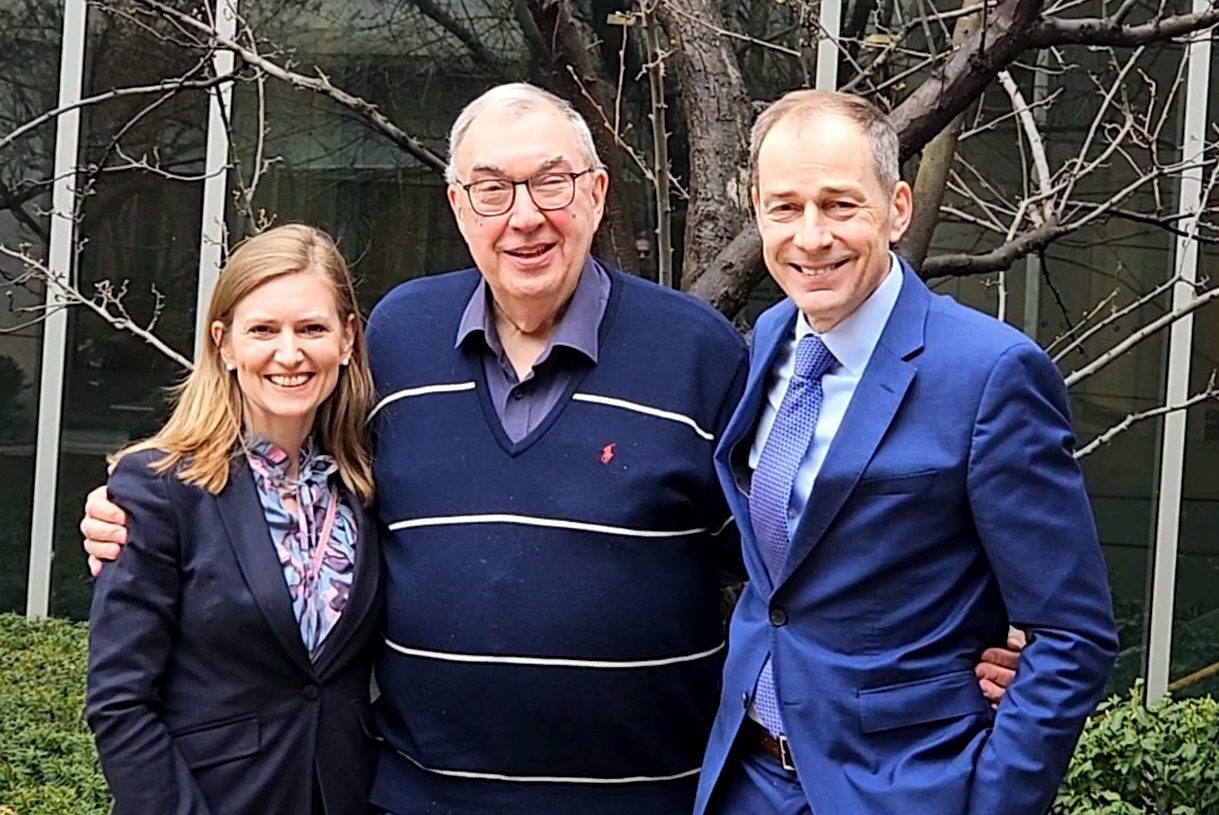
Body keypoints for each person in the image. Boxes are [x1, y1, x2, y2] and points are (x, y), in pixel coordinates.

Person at [82, 84, 1019, 815]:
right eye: (491, 189)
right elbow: (288, 442)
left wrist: (963, 636)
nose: (522, 215)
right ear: (456, 203)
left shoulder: (698, 350)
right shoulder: (400, 338)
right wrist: (144, 490)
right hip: (416, 795)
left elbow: (789, 553)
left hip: (643, 797)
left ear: (596, 193)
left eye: (550, 183)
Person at [693, 90, 1118, 815]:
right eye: (784, 207)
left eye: (838, 204)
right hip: (746, 778)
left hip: (906, 789)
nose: (810, 235)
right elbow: (782, 580)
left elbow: (1071, 632)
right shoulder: (769, 340)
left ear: (896, 208)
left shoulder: (988, 374)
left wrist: (994, 800)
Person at [85, 224, 383, 815]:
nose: (290, 353)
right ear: (223, 344)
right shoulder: (161, 487)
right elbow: (119, 702)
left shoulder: (368, 485)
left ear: (348, 340)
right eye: (263, 330)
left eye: (313, 329)